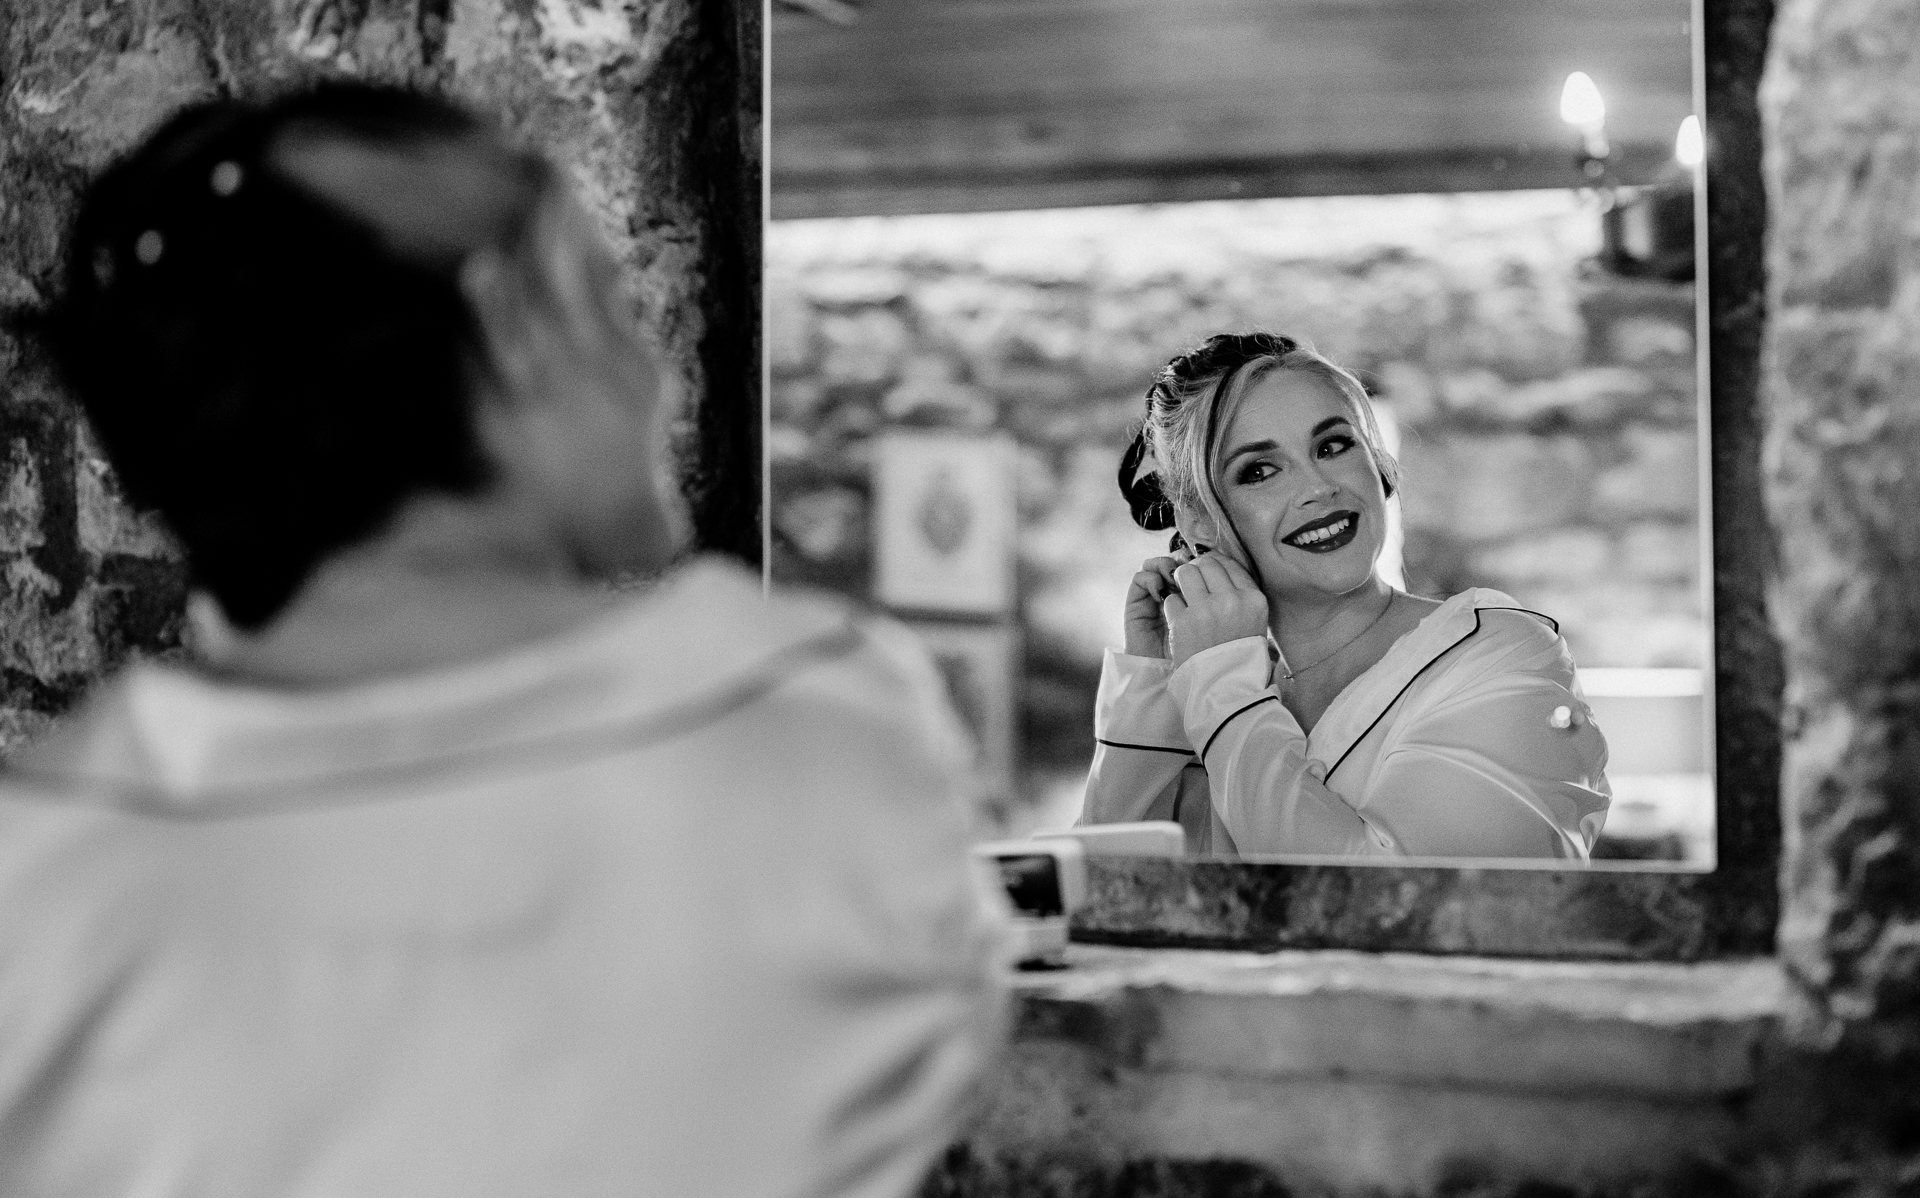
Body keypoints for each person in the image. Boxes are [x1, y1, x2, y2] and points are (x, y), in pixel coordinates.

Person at [0, 84, 1008, 1197]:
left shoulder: (44, 874)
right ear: (518, 322)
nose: (652, 370)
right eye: (615, 304)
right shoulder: (818, 722)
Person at [1077, 332, 1610, 860]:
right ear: (1198, 520)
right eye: (1259, 471)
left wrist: (1221, 684)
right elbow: (1101, 897)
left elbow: (1392, 908)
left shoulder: (1500, 653)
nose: (1318, 486)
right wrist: (1151, 687)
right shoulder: (1205, 683)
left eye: (1333, 446)